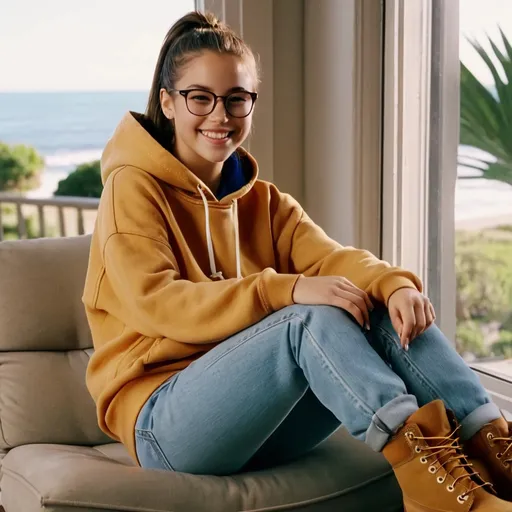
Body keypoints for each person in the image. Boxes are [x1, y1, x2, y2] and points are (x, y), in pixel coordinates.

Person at [83, 11, 512, 511]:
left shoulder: (263, 202)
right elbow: (158, 303)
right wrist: (281, 290)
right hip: (167, 425)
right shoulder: (131, 188)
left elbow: (332, 259)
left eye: (236, 99)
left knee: (367, 301)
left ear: (250, 104)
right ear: (168, 102)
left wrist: (394, 285)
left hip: (262, 420)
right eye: (200, 97)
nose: (220, 115)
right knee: (307, 318)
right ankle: (432, 490)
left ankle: (495, 446)